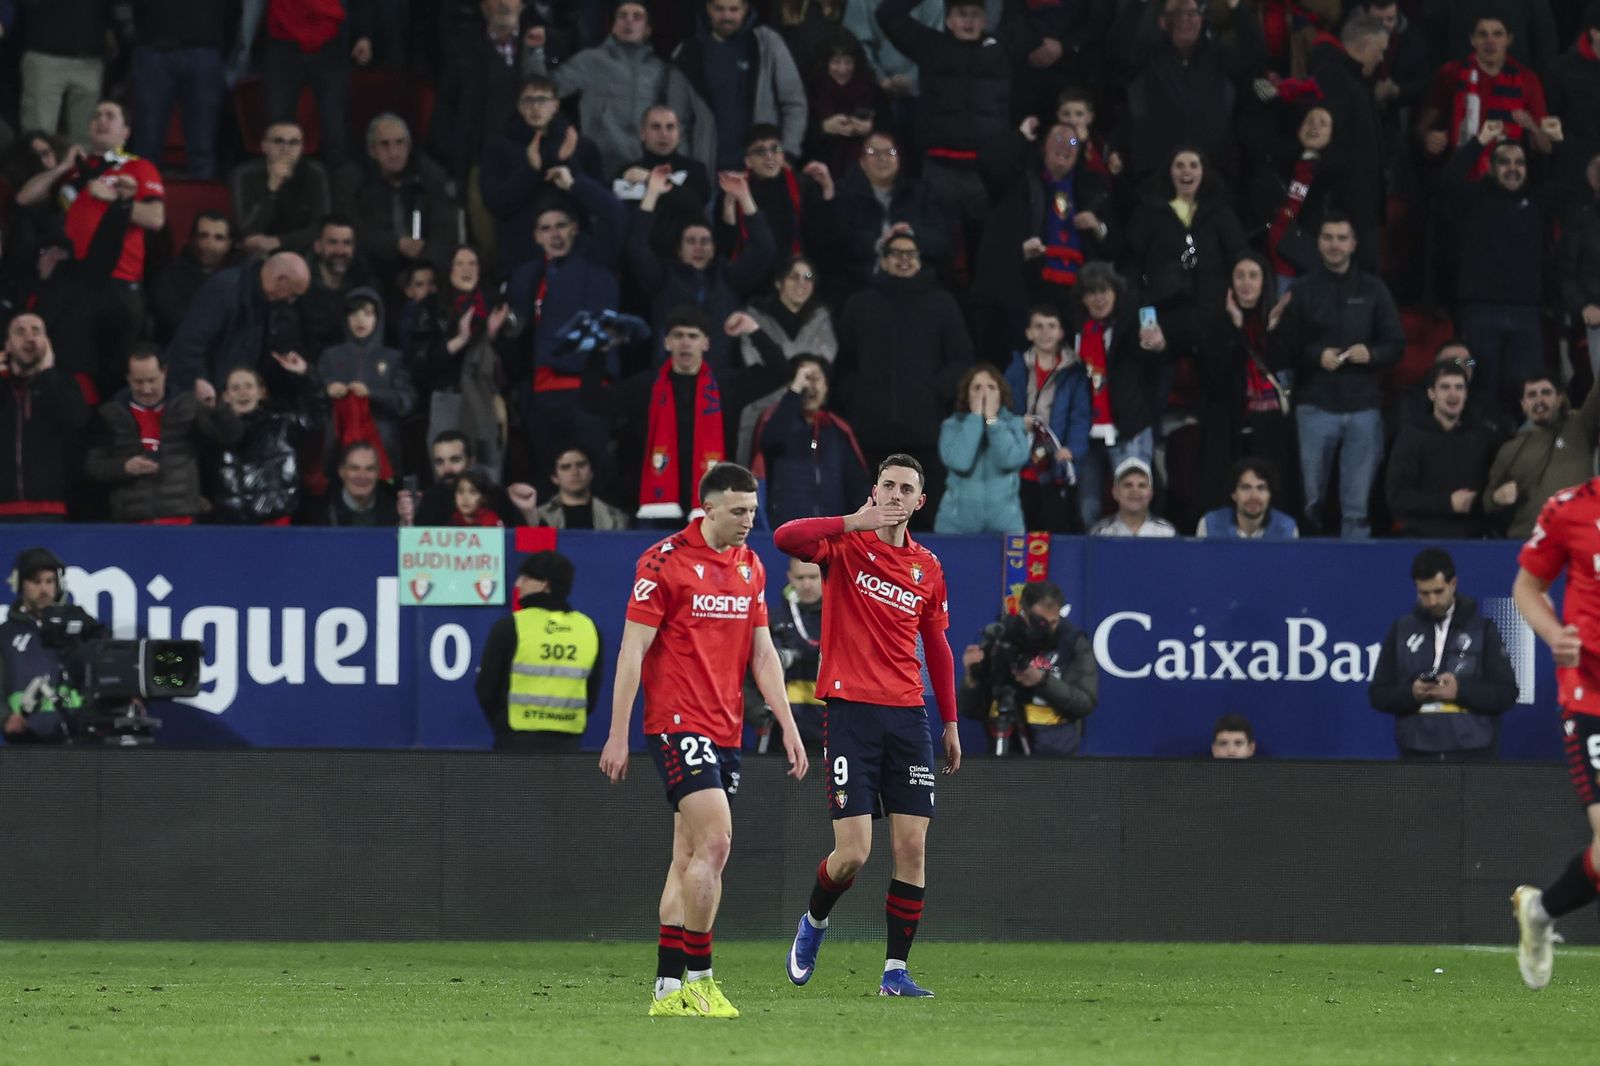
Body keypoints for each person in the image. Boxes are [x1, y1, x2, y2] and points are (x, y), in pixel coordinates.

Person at [598, 462, 808, 1018]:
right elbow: (631, 651)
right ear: (708, 507)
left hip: (727, 728)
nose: (747, 521)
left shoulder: (751, 565)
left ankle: (666, 991)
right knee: (717, 843)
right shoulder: (664, 563)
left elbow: (762, 654)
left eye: (753, 512)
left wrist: (787, 723)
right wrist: (617, 733)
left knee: (688, 856)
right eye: (738, 511)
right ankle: (700, 978)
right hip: (674, 723)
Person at [774, 453, 960, 998]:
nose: (896, 495)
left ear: (920, 501)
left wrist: (949, 721)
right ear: (873, 492)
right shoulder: (844, 545)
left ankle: (895, 973)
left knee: (912, 847)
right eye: (888, 485)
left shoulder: (928, 567)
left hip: (909, 717)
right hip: (850, 713)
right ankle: (814, 922)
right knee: (853, 852)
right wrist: (853, 520)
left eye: (906, 488)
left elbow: (938, 646)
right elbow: (786, 536)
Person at [1509, 472, 1600, 989]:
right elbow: (1527, 586)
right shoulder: (1570, 509)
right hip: (1590, 693)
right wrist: (1554, 636)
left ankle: (1541, 912)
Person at [579, 306, 789, 522]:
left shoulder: (727, 385)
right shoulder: (644, 386)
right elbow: (593, 402)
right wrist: (599, 352)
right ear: (667, 342)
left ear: (706, 343)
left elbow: (781, 373)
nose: (685, 342)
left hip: (715, 510)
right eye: (678, 335)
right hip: (654, 510)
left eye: (693, 336)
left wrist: (753, 329)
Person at [13, 99, 166, 391]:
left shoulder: (138, 167)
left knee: (116, 372)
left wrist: (117, 199)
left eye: (111, 116)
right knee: (74, 369)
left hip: (119, 283)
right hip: (76, 283)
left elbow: (156, 218)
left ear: (126, 131)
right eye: (96, 115)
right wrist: (62, 168)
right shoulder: (75, 171)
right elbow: (24, 199)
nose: (102, 120)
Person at [1270, 214, 1404, 538]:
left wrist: (1371, 354)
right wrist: (1317, 356)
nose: (1334, 244)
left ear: (1354, 244)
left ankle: (1354, 575)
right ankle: (1307, 571)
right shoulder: (1303, 289)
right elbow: (1285, 350)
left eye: (1342, 238)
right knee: (1309, 502)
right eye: (1328, 237)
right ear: (1318, 243)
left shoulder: (1373, 288)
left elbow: (1396, 345)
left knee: (1357, 508)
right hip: (1314, 404)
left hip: (1364, 407)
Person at [832, 232, 972, 524]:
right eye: (896, 253)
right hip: (870, 432)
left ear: (920, 260)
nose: (904, 260)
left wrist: (934, 393)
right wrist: (857, 396)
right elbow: (844, 361)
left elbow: (961, 360)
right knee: (870, 518)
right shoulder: (860, 303)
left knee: (920, 518)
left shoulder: (940, 303)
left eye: (911, 254)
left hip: (924, 433)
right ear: (883, 260)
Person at [1443, 120, 1568, 419]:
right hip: (1479, 317)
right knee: (1477, 383)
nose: (1512, 168)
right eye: (1504, 162)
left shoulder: (1536, 202)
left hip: (1526, 318)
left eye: (1519, 162)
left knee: (1527, 390)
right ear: (1490, 167)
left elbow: (1568, 185)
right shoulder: (1474, 200)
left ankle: (1523, 455)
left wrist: (1559, 144)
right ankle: (1482, 455)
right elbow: (1447, 181)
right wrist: (1479, 141)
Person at [530, 2, 714, 181]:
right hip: (599, 162)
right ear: (613, 26)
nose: (629, 21)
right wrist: (535, 53)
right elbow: (545, 91)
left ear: (648, 29)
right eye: (623, 16)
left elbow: (675, 116)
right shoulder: (591, 61)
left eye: (637, 17)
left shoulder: (661, 70)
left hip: (645, 165)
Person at [1369, 547, 1517, 760]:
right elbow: (1378, 695)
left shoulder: (1482, 629)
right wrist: (1411, 693)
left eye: (1438, 592)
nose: (1432, 601)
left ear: (1453, 584)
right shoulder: (1401, 629)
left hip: (1472, 753)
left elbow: (1506, 694)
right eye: (1424, 593)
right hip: (1417, 752)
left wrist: (1460, 691)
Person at [630, 167, 775, 374]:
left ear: (714, 249)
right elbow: (636, 248)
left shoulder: (728, 276)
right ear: (679, 250)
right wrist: (652, 194)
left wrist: (744, 197)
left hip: (719, 382)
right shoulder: (663, 277)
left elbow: (764, 249)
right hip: (670, 381)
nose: (699, 247)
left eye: (705, 241)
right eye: (691, 241)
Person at [85, 345, 244, 524]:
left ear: (165, 372)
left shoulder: (188, 406)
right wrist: (124, 467)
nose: (146, 389)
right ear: (128, 378)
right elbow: (94, 467)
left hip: (180, 518)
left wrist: (215, 407)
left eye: (152, 380)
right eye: (138, 381)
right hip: (131, 523)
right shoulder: (110, 414)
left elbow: (230, 436)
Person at [1068, 261, 1166, 530]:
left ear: (1116, 292)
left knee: (1135, 500)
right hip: (1086, 431)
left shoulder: (1132, 329)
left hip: (1130, 426)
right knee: (1088, 505)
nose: (1098, 298)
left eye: (1104, 291)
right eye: (1091, 292)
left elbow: (1155, 368)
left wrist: (1157, 347)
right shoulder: (1076, 333)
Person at [475, 551, 600, 752]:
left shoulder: (510, 626)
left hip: (516, 743)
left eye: (525, 577)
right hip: (569, 746)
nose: (517, 584)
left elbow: (486, 688)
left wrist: (504, 727)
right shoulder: (588, 629)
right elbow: (591, 694)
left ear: (544, 584)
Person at [958, 580, 1098, 756]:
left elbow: (1084, 703)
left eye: (1054, 622)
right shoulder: (1003, 639)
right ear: (1024, 612)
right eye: (1040, 622)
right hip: (1008, 746)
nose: (1047, 629)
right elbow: (971, 710)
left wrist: (1042, 681)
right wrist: (972, 678)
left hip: (1058, 755)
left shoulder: (1073, 642)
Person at [672, 0, 809, 172]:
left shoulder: (768, 44)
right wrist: (688, 167)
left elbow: (794, 103)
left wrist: (786, 153)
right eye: (719, 9)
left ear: (745, 9)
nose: (727, 16)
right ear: (708, 8)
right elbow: (676, 121)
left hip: (763, 170)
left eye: (734, 9)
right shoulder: (687, 53)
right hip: (709, 172)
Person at [824, 129, 955, 292]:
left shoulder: (921, 193)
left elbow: (941, 241)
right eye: (873, 152)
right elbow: (840, 242)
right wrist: (880, 242)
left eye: (890, 152)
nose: (882, 158)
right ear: (862, 162)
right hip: (863, 286)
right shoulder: (844, 195)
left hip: (918, 285)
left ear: (899, 160)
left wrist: (909, 236)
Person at [334, 115, 462, 282]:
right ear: (372, 150)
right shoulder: (353, 179)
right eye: (385, 144)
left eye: (400, 143)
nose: (394, 153)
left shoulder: (429, 175)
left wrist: (426, 265)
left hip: (423, 264)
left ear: (408, 147)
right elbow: (351, 230)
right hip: (375, 265)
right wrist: (395, 244)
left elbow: (445, 229)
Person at [166, 252, 312, 394]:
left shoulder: (271, 304)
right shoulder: (225, 289)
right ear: (281, 280)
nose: (291, 301)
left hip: (235, 396)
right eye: (293, 294)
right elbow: (190, 341)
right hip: (206, 396)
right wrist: (198, 380)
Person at [1385, 362, 1499, 538]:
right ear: (1432, 393)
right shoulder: (1411, 437)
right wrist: (1447, 503)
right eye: (1445, 387)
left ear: (1466, 394)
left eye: (1459, 387)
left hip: (1471, 540)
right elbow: (1397, 497)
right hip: (1420, 539)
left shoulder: (1481, 438)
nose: (1453, 394)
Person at [754, 354, 870, 528]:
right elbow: (770, 442)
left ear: (826, 387)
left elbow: (857, 483)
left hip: (832, 534)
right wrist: (793, 393)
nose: (809, 386)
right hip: (786, 532)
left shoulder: (839, 430)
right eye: (804, 379)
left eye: (815, 378)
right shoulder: (774, 420)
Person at [1005, 304, 1091, 534]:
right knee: (1023, 530)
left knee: (1056, 530)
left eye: (1051, 326)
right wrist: (1017, 423)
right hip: (1022, 465)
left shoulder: (1075, 372)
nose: (1045, 332)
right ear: (1029, 333)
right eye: (1038, 326)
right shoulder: (1016, 368)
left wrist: (1072, 449)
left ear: (1062, 332)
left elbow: (1080, 416)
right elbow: (1004, 410)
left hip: (1056, 464)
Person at [0, 548, 98, 745]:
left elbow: (101, 671)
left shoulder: (81, 628)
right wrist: (4, 717)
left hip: (76, 739)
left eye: (49, 581)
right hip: (25, 741)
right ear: (21, 585)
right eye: (36, 582)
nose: (44, 589)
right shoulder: (5, 634)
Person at [260, 0, 374, 168]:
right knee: (279, 131)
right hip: (282, 44)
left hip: (329, 44)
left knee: (335, 132)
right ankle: (280, 190)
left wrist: (362, 35)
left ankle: (339, 189)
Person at [1485, 376, 1600, 540]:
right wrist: (1496, 498)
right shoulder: (1509, 449)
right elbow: (1487, 501)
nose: (1539, 400)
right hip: (1528, 543)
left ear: (1559, 399)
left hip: (1578, 539)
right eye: (1532, 395)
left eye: (1546, 393)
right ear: (1523, 405)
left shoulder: (1580, 427)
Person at [0, 313, 90, 523]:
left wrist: (48, 374)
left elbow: (76, 420)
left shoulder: (63, 384)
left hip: (50, 508)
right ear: (8, 344)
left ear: (47, 342)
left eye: (36, 331)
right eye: (20, 332)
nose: (29, 338)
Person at [319, 288, 416, 479]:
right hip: (338, 451)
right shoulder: (330, 356)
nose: (360, 319)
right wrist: (327, 388)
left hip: (383, 450)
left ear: (378, 318)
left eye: (368, 313)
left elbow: (407, 402)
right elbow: (312, 398)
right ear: (345, 318)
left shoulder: (393, 358)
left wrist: (372, 394)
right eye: (354, 313)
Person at [204, 364, 318, 525]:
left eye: (249, 386)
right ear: (226, 396)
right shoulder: (212, 434)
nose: (242, 392)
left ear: (261, 392)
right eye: (235, 388)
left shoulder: (282, 425)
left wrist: (305, 375)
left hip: (278, 527)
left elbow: (315, 414)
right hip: (232, 530)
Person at [127, 0, 229, 180]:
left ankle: (201, 204)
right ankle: (143, 200)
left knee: (203, 144)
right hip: (154, 49)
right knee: (147, 142)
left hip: (204, 49)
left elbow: (233, 11)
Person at [935, 364, 1029, 535]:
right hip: (955, 527)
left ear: (1001, 394)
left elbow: (1010, 460)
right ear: (966, 395)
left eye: (991, 387)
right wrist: (975, 418)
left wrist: (992, 421)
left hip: (1006, 527)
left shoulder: (1014, 424)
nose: (984, 394)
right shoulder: (951, 426)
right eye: (977, 388)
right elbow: (960, 462)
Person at [231, 121, 334, 258]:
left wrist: (279, 241)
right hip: (257, 251)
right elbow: (246, 229)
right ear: (264, 147)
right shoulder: (244, 174)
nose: (286, 149)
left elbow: (322, 227)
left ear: (302, 148)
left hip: (301, 249)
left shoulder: (315, 173)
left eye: (294, 143)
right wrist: (272, 187)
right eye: (278, 141)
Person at [150, 212, 238, 344]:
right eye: (203, 236)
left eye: (218, 238)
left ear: (228, 244)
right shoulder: (169, 275)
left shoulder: (237, 278)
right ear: (192, 238)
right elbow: (174, 322)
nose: (209, 245)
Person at [767, 557, 826, 750]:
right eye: (800, 578)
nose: (806, 584)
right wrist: (760, 714)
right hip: (785, 727)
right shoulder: (774, 619)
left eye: (813, 577)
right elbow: (753, 668)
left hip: (833, 725)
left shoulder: (843, 616)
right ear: (790, 578)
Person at [1195, 457, 1299, 538]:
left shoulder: (1287, 527)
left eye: (1261, 488)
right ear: (1234, 494)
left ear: (1270, 494)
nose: (1254, 496)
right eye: (1246, 488)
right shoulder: (1210, 523)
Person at [535, 445, 632, 530]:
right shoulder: (538, 518)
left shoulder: (616, 518)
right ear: (554, 477)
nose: (575, 472)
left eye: (581, 465)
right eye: (566, 467)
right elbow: (532, 550)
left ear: (591, 472)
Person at [314, 441, 400, 526]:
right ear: (341, 472)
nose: (362, 475)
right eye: (354, 468)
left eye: (369, 469)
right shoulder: (321, 512)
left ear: (378, 473)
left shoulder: (393, 511)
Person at [1089, 457, 1178, 537]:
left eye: (1142, 485)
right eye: (1128, 485)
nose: (1135, 491)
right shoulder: (1101, 533)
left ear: (1151, 493)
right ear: (1115, 492)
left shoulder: (1167, 534)